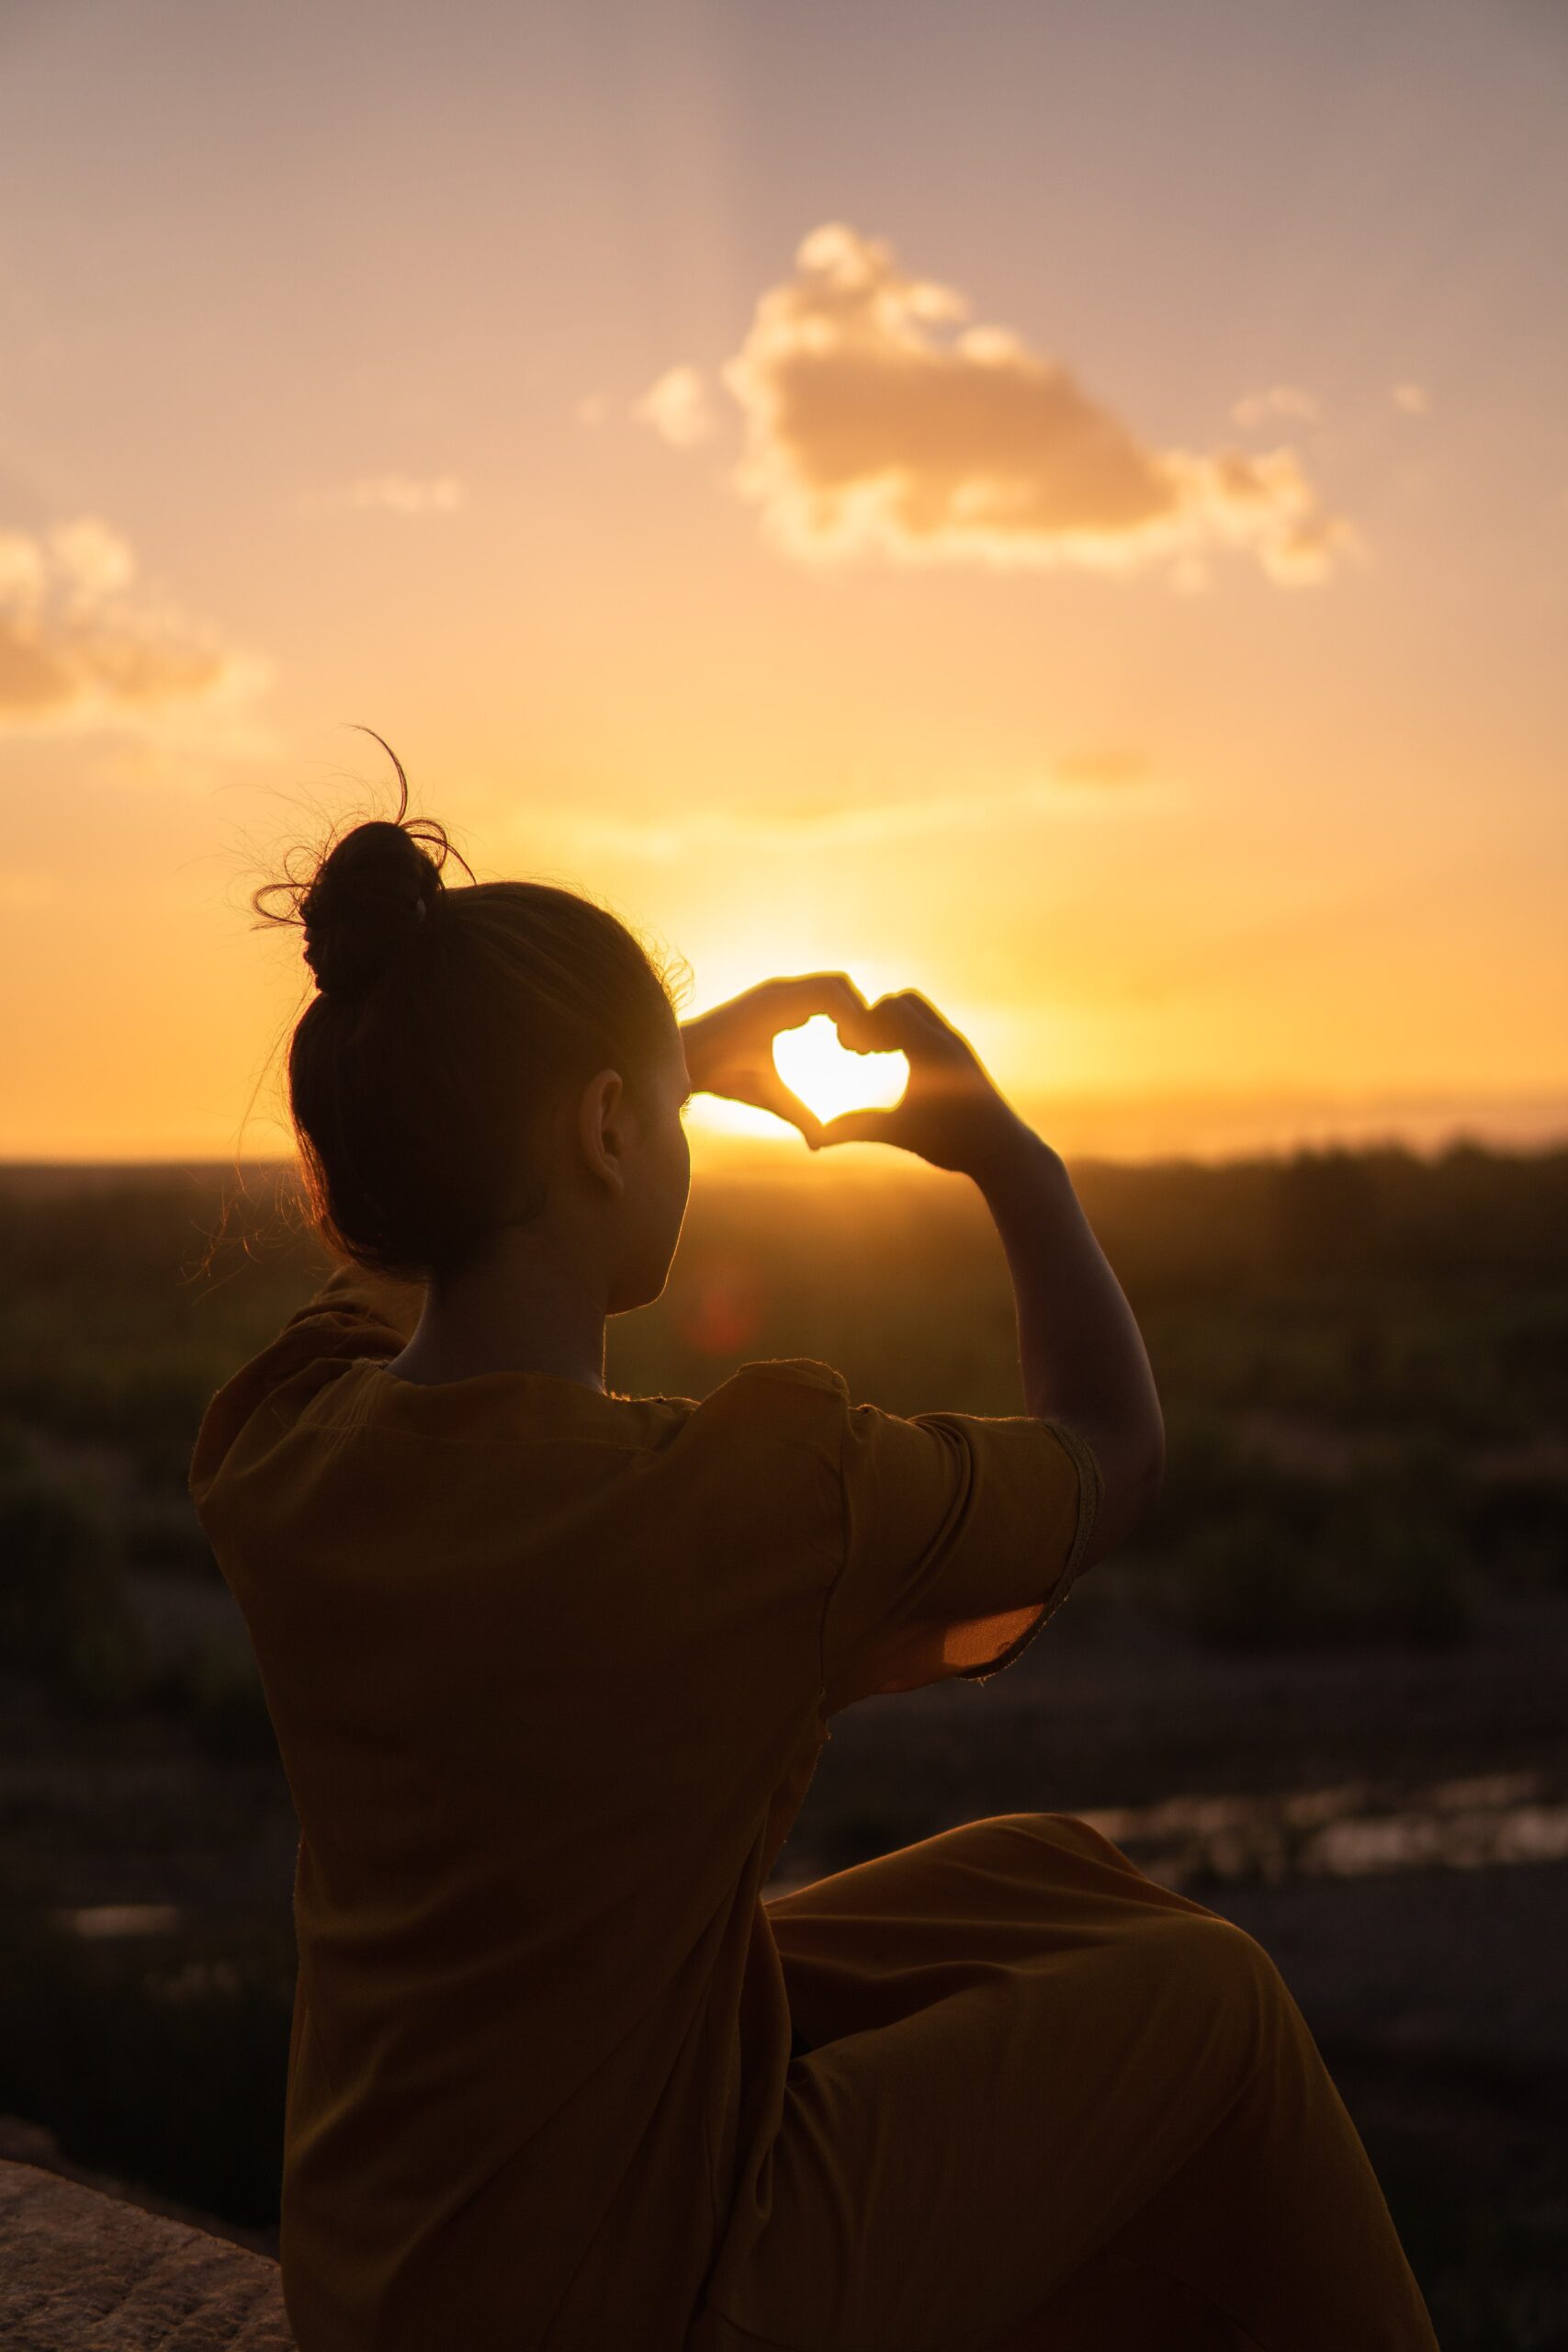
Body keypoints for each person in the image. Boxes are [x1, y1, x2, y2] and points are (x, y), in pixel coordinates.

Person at [190, 746, 1439, 2352]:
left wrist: (640, 1077)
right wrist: (1013, 1158)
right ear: (606, 1131)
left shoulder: (284, 1451)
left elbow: (412, 1253)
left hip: (385, 2279)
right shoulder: (748, 1505)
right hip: (642, 2301)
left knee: (1043, 1878)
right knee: (1214, 2012)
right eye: (654, 1110)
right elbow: (1116, 1460)